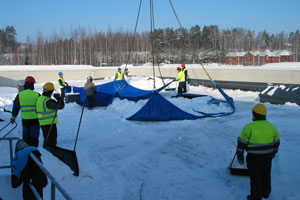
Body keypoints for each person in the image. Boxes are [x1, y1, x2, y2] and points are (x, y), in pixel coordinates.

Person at [236, 103, 280, 200]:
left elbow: (241, 143)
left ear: (254, 115)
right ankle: (266, 192)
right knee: (266, 174)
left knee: (255, 177)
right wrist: (273, 153)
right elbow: (276, 142)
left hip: (253, 158)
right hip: (267, 157)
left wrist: (240, 155)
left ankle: (255, 196)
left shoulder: (249, 127)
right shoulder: (272, 127)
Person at [10, 76, 41, 147]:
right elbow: (41, 107)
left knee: (26, 137)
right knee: (34, 137)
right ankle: (34, 153)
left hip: (25, 120)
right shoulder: (37, 95)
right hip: (35, 120)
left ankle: (26, 152)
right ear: (32, 85)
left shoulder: (20, 95)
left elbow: (16, 107)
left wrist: (13, 116)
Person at [36, 82, 65, 147]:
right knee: (51, 141)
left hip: (42, 123)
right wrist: (59, 98)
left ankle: (46, 150)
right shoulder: (48, 101)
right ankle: (50, 153)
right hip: (49, 123)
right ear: (51, 92)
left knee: (47, 139)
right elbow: (60, 106)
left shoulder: (39, 99)